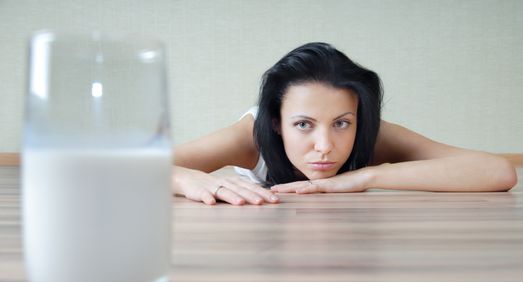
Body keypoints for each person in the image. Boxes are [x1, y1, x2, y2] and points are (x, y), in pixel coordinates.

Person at [173, 42, 517, 205]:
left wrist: (367, 175)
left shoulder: (373, 134)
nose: (325, 145)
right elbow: (131, 168)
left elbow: (497, 171)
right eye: (304, 125)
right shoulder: (250, 139)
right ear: (276, 122)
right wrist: (183, 176)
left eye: (341, 124)